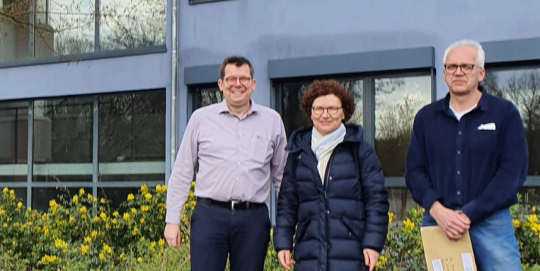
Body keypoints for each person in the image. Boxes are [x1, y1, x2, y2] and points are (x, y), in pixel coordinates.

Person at [406, 40, 528, 271]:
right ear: (444, 74)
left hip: (491, 222)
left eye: (466, 66)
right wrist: (437, 210)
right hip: (440, 222)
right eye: (451, 66)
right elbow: (414, 172)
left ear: (481, 73)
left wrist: (470, 213)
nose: (458, 72)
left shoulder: (505, 114)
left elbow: (512, 173)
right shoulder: (426, 118)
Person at [165, 56, 288, 271]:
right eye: (231, 79)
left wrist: (287, 226)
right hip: (209, 217)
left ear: (253, 84)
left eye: (244, 79)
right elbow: (183, 171)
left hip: (253, 219)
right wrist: (172, 220)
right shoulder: (201, 119)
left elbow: (283, 179)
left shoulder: (272, 121)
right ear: (221, 85)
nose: (237, 84)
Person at [274, 80, 389, 271]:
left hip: (352, 252)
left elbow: (376, 200)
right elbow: (287, 202)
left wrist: (373, 243)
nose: (325, 114)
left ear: (344, 112)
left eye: (332, 109)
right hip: (309, 252)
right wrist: (283, 242)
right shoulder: (298, 152)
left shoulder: (360, 150)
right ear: (310, 112)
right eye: (319, 108)